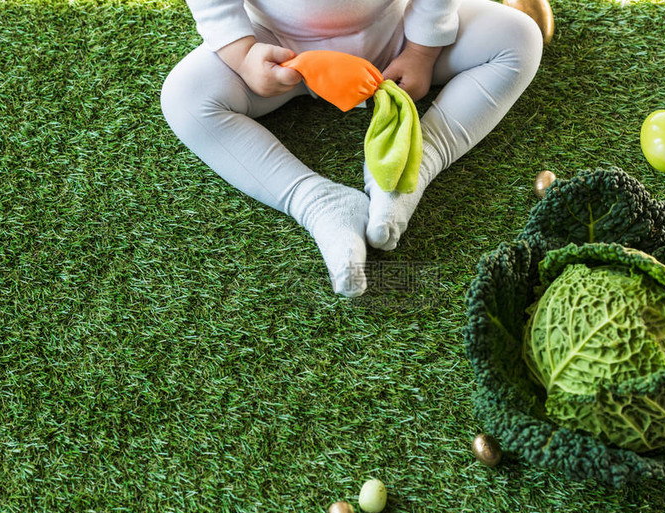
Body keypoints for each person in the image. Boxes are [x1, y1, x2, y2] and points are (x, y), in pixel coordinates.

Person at [161, 0, 543, 297]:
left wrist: (422, 50)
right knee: (185, 97)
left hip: (396, 34)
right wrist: (241, 55)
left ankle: (418, 157)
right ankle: (317, 202)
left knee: (518, 37)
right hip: (279, 49)